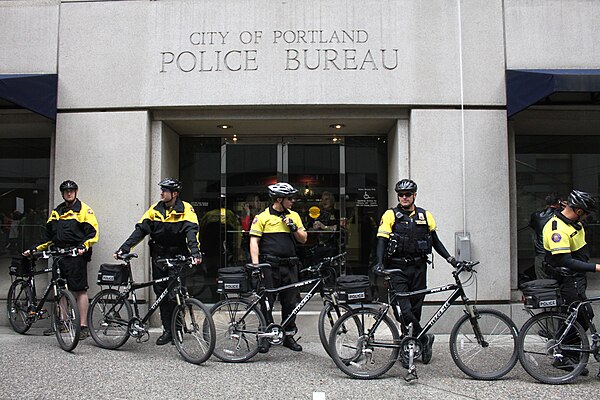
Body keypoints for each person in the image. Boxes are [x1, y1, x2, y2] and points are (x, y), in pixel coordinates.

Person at [373, 179, 458, 365]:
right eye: (401, 195)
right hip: (397, 268)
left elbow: (435, 241)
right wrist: (379, 263)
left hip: (419, 268)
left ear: (414, 195)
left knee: (415, 309)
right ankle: (424, 338)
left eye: (408, 194)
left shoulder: (425, 216)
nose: (404, 197)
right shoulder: (390, 215)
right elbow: (382, 240)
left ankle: (409, 345)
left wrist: (451, 259)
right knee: (403, 310)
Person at [115, 178, 202, 345]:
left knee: (175, 294)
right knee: (161, 294)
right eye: (161, 190)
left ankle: (177, 330)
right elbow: (139, 231)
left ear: (174, 194)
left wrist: (195, 253)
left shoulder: (186, 210)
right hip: (159, 257)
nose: (161, 193)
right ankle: (167, 330)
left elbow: (192, 233)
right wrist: (124, 248)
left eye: (165, 191)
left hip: (178, 258)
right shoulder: (155, 210)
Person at [23, 180, 99, 340]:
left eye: (71, 191)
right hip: (59, 255)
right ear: (62, 193)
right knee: (59, 290)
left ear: (76, 192)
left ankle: (83, 326)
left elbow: (93, 234)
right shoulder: (57, 212)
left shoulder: (84, 210)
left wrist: (83, 247)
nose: (69, 193)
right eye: (66, 191)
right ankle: (63, 324)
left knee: (80, 290)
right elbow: (48, 236)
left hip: (75, 255)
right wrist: (35, 249)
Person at [250, 182, 308, 353]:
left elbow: (303, 239)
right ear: (279, 199)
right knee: (266, 302)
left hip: (290, 266)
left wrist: (294, 228)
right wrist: (256, 266)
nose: (293, 201)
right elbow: (254, 241)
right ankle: (265, 336)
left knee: (290, 302)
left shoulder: (294, 216)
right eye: (290, 198)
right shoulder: (262, 217)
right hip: (270, 266)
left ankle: (288, 335)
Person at [543, 190, 600, 327]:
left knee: (578, 317)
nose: (586, 217)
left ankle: (569, 346)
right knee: (581, 316)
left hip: (577, 276)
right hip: (567, 279)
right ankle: (563, 347)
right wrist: (596, 267)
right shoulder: (556, 229)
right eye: (586, 214)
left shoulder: (574, 223)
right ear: (579, 211)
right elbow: (565, 260)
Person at [529, 193, 562, 279]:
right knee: (559, 279)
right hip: (558, 252)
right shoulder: (562, 216)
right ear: (559, 202)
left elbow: (532, 225)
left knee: (542, 280)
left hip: (541, 252)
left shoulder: (536, 216)